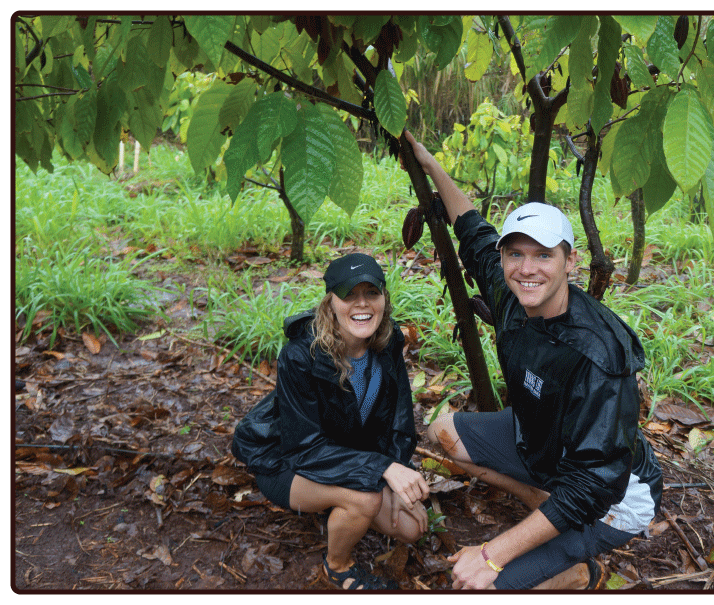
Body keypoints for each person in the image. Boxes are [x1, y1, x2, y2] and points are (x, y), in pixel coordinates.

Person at [403, 131, 663, 590]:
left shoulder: (600, 353)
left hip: (612, 495)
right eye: (516, 254)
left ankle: (581, 571)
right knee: (443, 432)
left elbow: (594, 484)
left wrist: (492, 552)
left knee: (485, 588)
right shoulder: (510, 295)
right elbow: (472, 228)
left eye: (544, 255)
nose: (528, 269)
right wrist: (430, 163)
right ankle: (539, 500)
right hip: (543, 448)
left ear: (570, 261)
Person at [231, 252, 429, 590]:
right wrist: (383, 470)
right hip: (286, 461)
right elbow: (303, 448)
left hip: (346, 454)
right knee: (364, 500)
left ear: (384, 298)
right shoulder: (301, 354)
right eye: (349, 294)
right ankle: (338, 568)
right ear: (330, 302)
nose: (362, 304)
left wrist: (395, 467)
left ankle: (335, 502)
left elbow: (400, 420)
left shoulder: (388, 340)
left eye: (372, 293)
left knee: (412, 528)